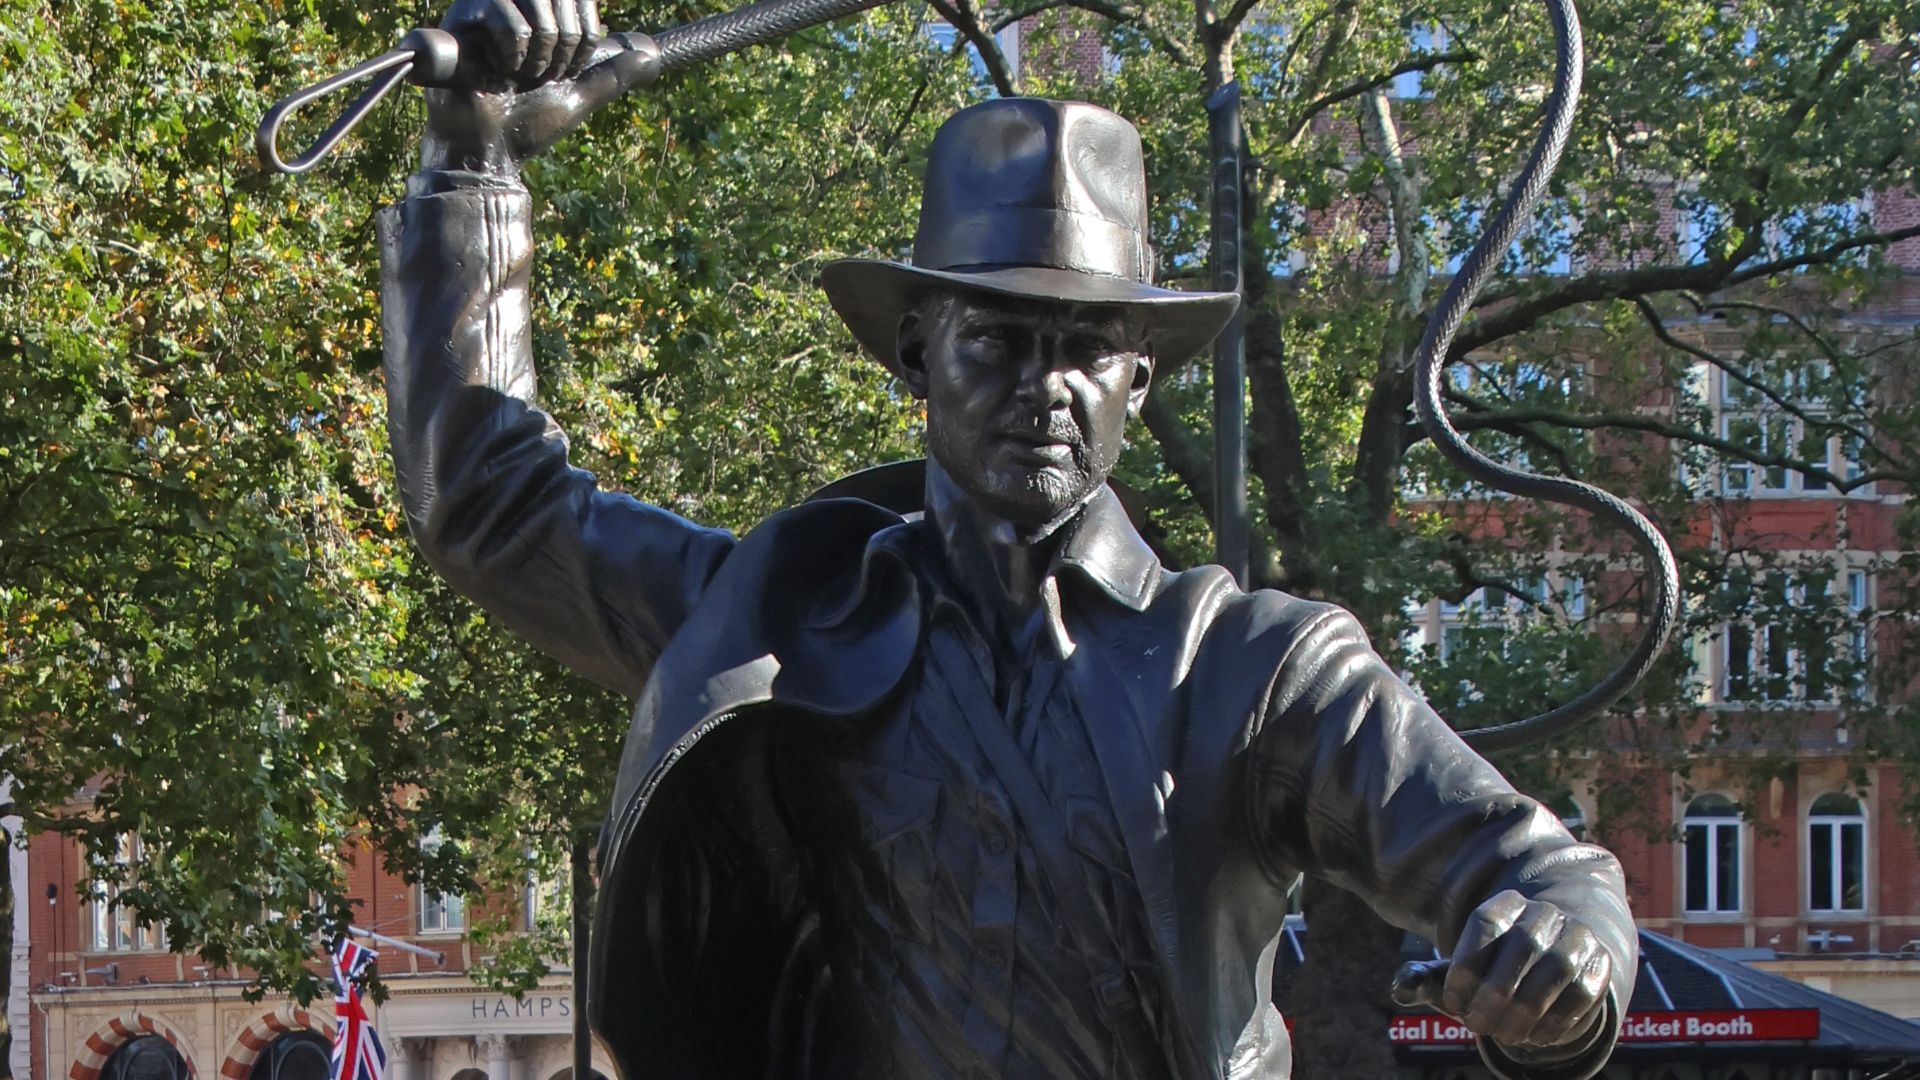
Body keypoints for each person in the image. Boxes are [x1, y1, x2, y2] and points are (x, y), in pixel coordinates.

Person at [378, 1, 1638, 1076]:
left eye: (1088, 346)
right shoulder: (778, 620)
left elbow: (1536, 866)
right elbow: (490, 503)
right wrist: (473, 160)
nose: (1049, 384)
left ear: (1139, 380)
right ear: (918, 356)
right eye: (998, 339)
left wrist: (1562, 954)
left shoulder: (1256, 673)